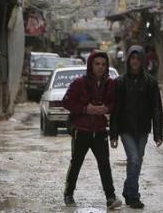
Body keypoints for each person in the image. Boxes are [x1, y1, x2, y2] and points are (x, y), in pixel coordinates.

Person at [61, 50, 122, 209]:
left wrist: (105, 108)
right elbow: (67, 103)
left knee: (104, 164)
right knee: (76, 163)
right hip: (81, 130)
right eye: (97, 64)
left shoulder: (110, 84)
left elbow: (115, 104)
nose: (100, 67)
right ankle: (68, 194)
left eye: (103, 64)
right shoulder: (79, 83)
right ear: (90, 65)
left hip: (100, 130)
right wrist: (85, 109)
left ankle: (110, 198)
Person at [110, 45, 163, 209]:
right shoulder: (120, 82)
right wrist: (113, 134)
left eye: (138, 58)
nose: (135, 61)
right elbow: (115, 109)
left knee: (137, 161)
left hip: (143, 128)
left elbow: (156, 108)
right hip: (126, 129)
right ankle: (134, 196)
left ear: (143, 61)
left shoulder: (151, 83)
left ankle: (127, 190)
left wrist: (158, 133)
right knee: (133, 159)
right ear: (128, 60)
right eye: (132, 58)